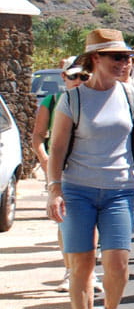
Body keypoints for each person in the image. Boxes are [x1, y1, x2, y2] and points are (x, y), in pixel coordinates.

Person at [45, 28, 134, 309]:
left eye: (127, 57)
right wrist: (54, 189)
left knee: (118, 264)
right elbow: (56, 148)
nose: (124, 63)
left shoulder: (132, 95)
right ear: (96, 58)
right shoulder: (73, 99)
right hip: (77, 190)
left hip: (120, 190)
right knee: (81, 265)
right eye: (116, 57)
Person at [33, 58, 101, 294]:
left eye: (83, 76)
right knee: (65, 222)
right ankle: (71, 270)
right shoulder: (52, 101)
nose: (78, 81)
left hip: (91, 169)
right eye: (73, 76)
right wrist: (45, 160)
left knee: (92, 222)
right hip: (61, 170)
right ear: (64, 77)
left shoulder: (98, 101)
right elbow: (38, 136)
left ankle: (88, 273)